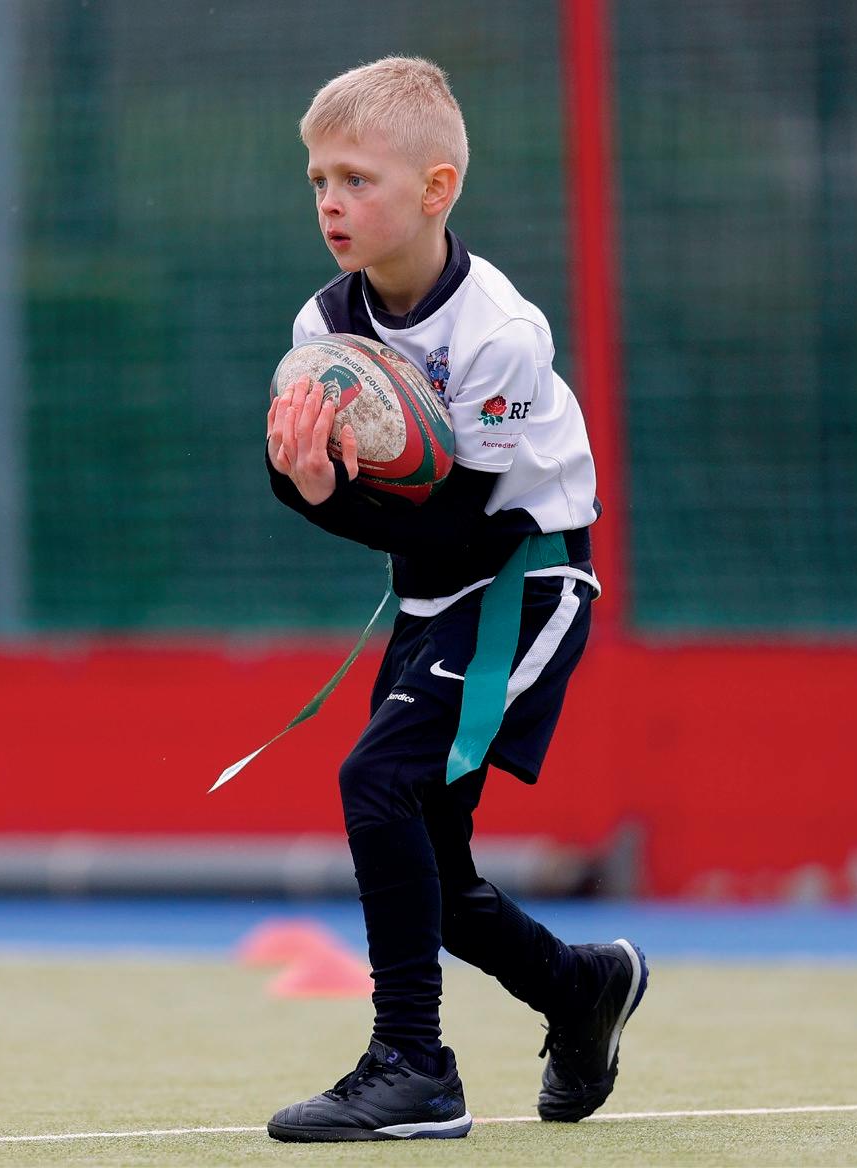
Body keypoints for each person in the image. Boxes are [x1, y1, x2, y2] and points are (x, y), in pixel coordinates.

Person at [263, 56, 647, 1143]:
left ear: (437, 190)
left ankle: (414, 1065)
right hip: (438, 593)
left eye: (357, 178)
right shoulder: (324, 328)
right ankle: (579, 986)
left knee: (376, 780)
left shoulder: (498, 334)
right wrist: (304, 481)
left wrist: (326, 494)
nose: (332, 201)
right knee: (428, 854)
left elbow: (458, 523)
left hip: (524, 579)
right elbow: (323, 491)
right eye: (318, 179)